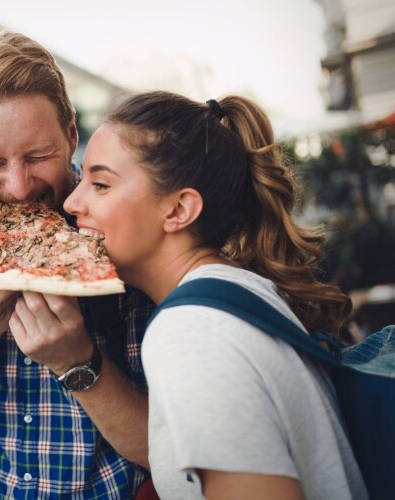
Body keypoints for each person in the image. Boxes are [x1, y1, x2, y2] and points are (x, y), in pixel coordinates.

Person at [64, 91, 369, 500]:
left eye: (100, 184)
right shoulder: (237, 290)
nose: (72, 202)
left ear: (178, 210)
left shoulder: (190, 332)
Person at [0, 32, 154, 499]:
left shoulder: (121, 228)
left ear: (71, 135)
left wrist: (77, 361)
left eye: (38, 156)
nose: (18, 187)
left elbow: (163, 448)